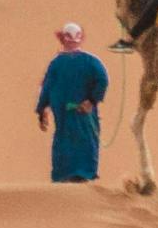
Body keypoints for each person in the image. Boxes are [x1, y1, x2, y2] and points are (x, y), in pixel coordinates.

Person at [37, 22, 110, 183]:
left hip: (79, 113)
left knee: (76, 140)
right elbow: (47, 87)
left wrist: (91, 101)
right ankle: (77, 175)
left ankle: (79, 175)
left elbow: (102, 80)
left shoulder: (59, 63)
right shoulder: (87, 61)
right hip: (68, 113)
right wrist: (43, 109)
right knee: (75, 140)